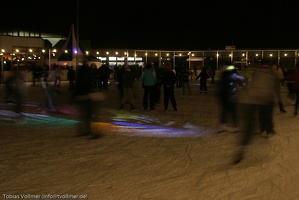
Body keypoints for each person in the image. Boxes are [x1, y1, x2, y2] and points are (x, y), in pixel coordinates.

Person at [234, 59, 280, 164]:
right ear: (268, 64)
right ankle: (267, 129)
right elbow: (275, 86)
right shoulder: (271, 73)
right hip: (265, 99)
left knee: (249, 125)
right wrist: (277, 99)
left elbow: (242, 80)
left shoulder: (252, 71)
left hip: (250, 100)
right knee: (266, 115)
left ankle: (242, 148)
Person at [74, 61, 101, 139]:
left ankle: (84, 130)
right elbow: (89, 85)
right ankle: (91, 131)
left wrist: (74, 96)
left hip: (81, 96)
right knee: (90, 114)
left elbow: (77, 86)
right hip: (87, 96)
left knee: (83, 115)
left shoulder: (80, 76)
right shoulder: (87, 74)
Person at [218, 65, 245, 131]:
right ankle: (235, 124)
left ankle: (223, 124)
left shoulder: (224, 76)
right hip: (231, 96)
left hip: (224, 96)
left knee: (225, 110)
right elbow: (241, 79)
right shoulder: (232, 76)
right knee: (233, 111)